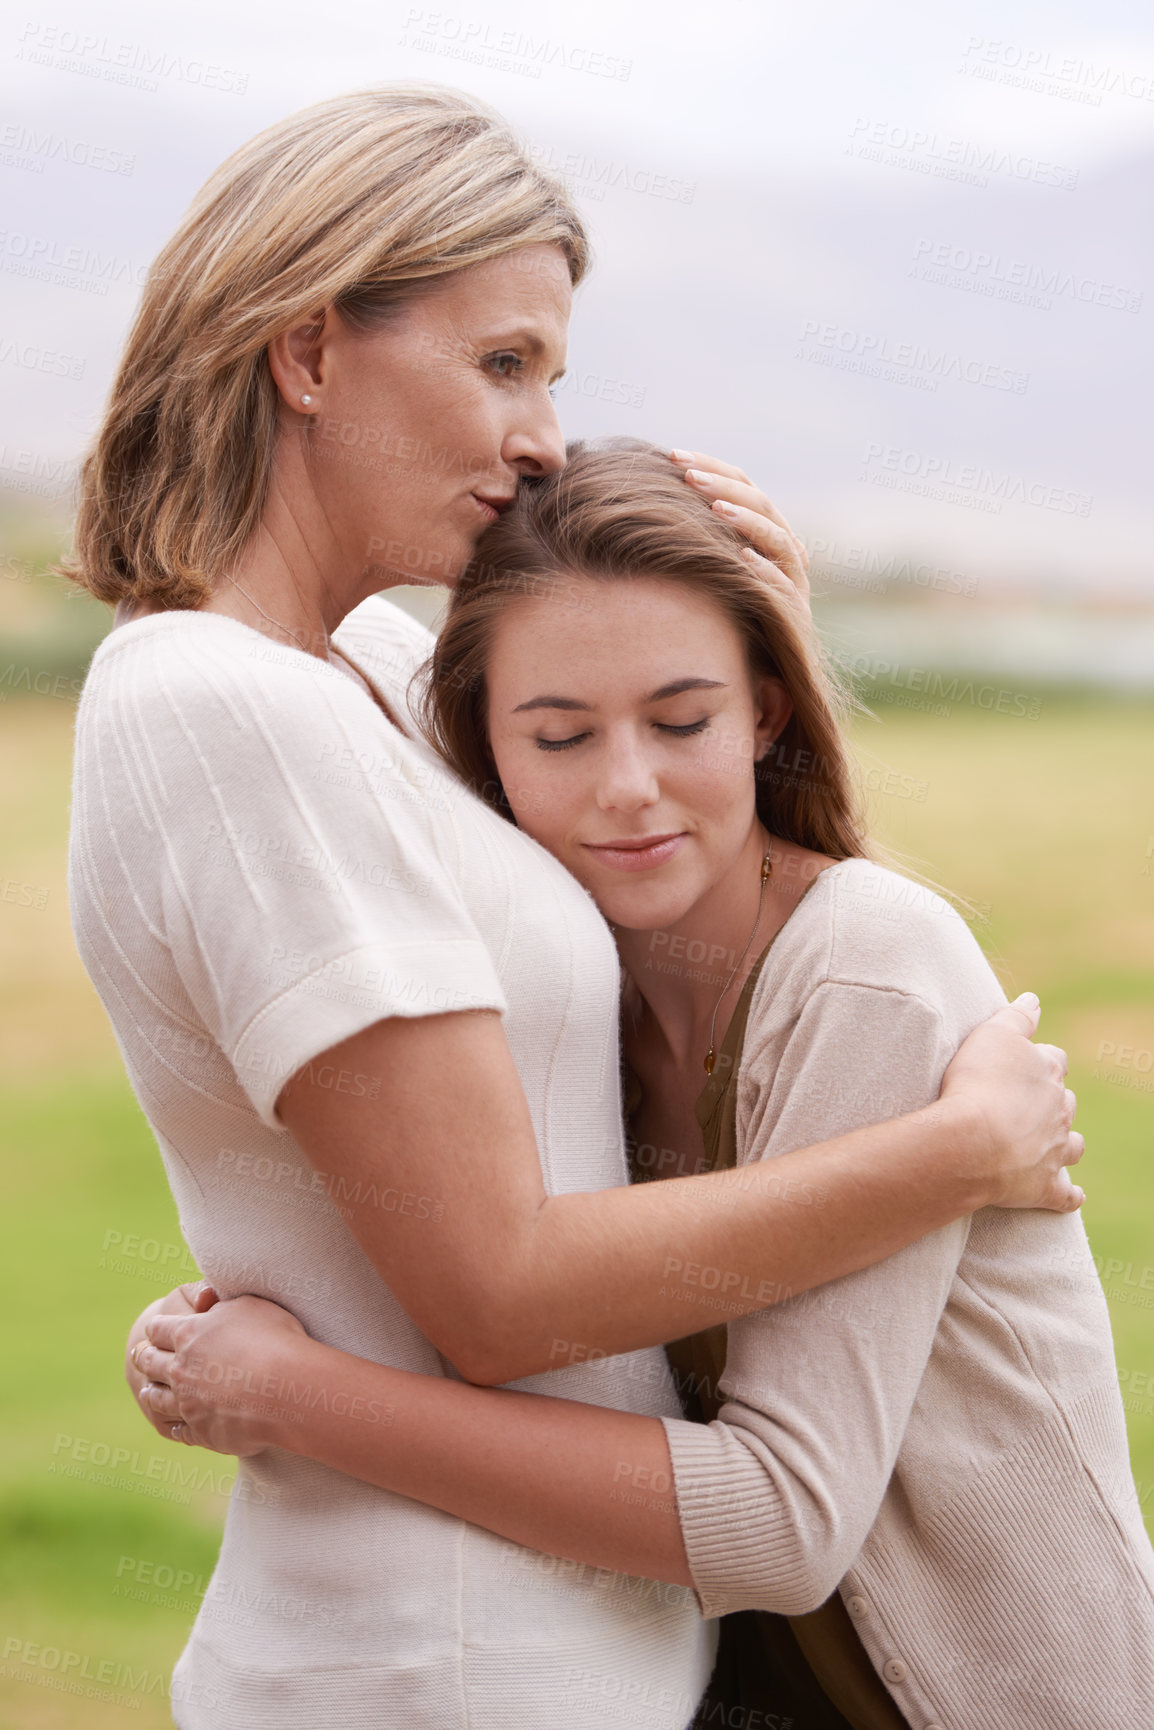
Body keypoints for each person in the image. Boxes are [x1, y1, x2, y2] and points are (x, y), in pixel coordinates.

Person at [70, 85, 1079, 1729]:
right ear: (309, 354)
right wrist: (948, 1154)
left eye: (551, 373)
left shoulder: (379, 674)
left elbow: (659, 941)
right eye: (501, 363)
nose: (541, 435)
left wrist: (748, 668)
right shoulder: (218, 704)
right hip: (433, 1658)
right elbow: (501, 1288)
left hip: (568, 1650)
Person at [133, 443, 1151, 1730]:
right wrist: (216, 1332)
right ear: (483, 751)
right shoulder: (561, 1002)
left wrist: (293, 1397)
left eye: (684, 720)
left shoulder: (863, 972)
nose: (627, 788)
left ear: (766, 712)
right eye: (557, 734)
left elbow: (779, 1517)